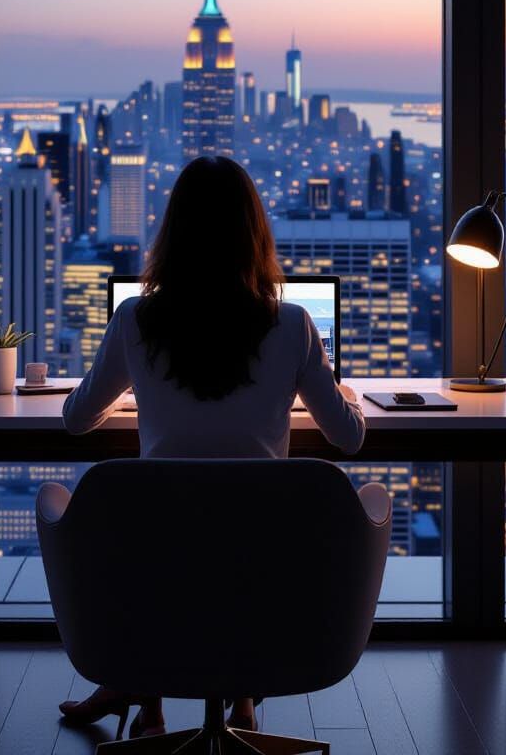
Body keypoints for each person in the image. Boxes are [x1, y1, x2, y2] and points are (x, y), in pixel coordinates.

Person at [57, 156, 365, 738]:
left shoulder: (135, 319)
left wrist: (135, 388)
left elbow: (77, 420)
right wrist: (337, 391)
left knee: (160, 540)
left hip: (158, 560)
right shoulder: (293, 323)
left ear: (172, 234)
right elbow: (348, 437)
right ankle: (241, 697)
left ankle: (142, 695)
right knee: (237, 542)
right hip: (266, 565)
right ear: (255, 235)